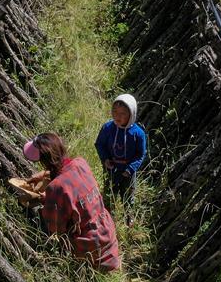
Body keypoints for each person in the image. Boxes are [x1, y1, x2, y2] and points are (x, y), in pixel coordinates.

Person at [23, 132, 121, 271]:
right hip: (108, 233)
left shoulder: (56, 188)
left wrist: (45, 201)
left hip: (90, 245)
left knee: (39, 217)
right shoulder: (81, 163)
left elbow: (56, 228)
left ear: (45, 161)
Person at [95, 94, 147, 225]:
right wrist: (105, 159)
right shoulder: (108, 128)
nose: (118, 116)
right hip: (111, 168)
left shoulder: (137, 133)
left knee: (128, 195)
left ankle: (128, 216)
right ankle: (107, 218)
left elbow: (140, 154)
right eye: (115, 112)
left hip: (128, 172)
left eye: (123, 113)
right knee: (109, 193)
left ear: (132, 114)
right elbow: (99, 144)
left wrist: (130, 169)